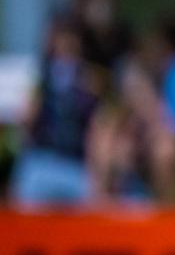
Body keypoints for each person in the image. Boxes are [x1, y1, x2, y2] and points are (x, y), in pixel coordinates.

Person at [10, 17, 106, 206]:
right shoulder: (40, 77)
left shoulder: (90, 79)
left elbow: (98, 127)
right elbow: (26, 121)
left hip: (75, 165)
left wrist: (97, 171)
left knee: (96, 207)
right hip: (42, 160)